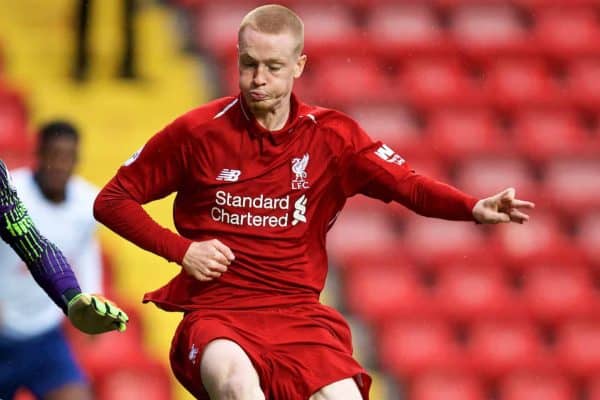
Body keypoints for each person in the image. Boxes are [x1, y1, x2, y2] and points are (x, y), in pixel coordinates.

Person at [93, 4, 535, 400]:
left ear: (299, 65)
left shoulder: (333, 137)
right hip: (218, 313)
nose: (258, 79)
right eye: (248, 65)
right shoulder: (196, 133)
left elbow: (408, 185)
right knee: (237, 386)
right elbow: (112, 200)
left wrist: (472, 208)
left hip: (298, 315)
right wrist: (182, 250)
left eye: (272, 67)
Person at [0, 122, 127, 400]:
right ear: (39, 154)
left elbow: (81, 249)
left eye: (67, 156)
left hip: (43, 335)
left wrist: (90, 297)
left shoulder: (87, 203)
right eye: (53, 155)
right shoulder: (12, 189)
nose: (59, 164)